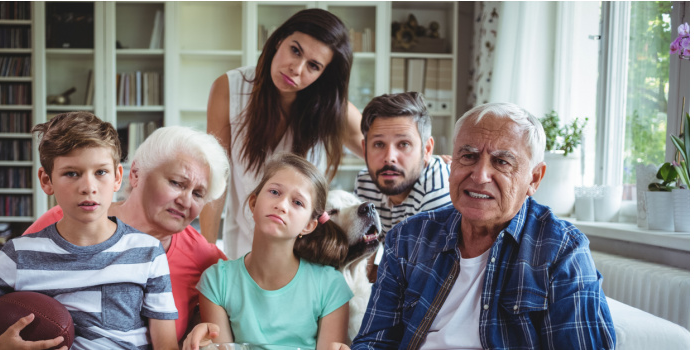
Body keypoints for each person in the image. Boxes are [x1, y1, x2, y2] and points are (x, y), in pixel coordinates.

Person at [351, 103, 615, 349]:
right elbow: (374, 342)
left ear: (534, 178)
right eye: (468, 156)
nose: (479, 176)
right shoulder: (408, 238)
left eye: (502, 162)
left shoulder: (563, 252)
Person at [0, 112, 179, 349]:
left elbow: (166, 347)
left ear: (117, 177)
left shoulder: (148, 252)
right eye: (71, 173)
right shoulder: (20, 255)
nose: (88, 187)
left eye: (101, 172)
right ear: (46, 180)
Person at [21, 124, 230, 345]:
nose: (185, 201)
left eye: (198, 194)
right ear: (136, 175)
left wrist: (203, 329)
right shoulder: (63, 222)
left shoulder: (205, 257)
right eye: (176, 183)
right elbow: (4, 300)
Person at [201, 8, 365, 260]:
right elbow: (215, 177)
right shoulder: (229, 89)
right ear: (279, 40)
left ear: (323, 74)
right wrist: (205, 252)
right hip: (242, 248)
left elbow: (384, 154)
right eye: (295, 50)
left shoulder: (332, 109)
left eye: (313, 66)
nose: (296, 69)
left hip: (305, 253)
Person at [183, 153, 352, 350]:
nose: (281, 205)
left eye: (297, 202)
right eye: (274, 192)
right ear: (253, 203)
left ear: (309, 226)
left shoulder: (331, 286)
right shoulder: (216, 282)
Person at [355, 92, 451, 233]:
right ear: (365, 150)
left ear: (427, 149)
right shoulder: (365, 184)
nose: (389, 157)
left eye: (404, 144)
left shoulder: (438, 188)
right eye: (379, 144)